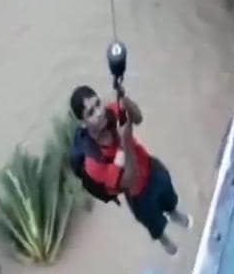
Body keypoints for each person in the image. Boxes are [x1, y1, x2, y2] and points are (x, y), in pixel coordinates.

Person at [68, 85, 193, 255]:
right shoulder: (94, 162)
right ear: (83, 123)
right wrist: (124, 140)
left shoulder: (111, 111)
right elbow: (128, 180)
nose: (99, 113)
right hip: (137, 194)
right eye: (90, 113)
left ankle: (173, 213)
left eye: (98, 104)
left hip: (152, 167)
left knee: (169, 196)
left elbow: (139, 118)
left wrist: (124, 100)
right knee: (153, 223)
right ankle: (163, 239)